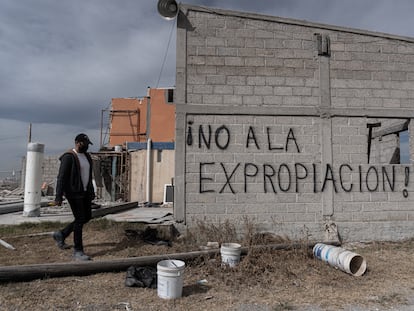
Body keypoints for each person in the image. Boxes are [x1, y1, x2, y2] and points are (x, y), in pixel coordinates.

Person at [53, 133, 95, 261]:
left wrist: (91, 191)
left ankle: (62, 234)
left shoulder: (87, 156)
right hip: (73, 192)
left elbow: (88, 176)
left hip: (85, 192)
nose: (86, 147)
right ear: (77, 143)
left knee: (87, 217)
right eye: (84, 144)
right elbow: (61, 177)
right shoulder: (69, 157)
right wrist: (58, 196)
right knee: (80, 219)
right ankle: (78, 251)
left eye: (87, 145)